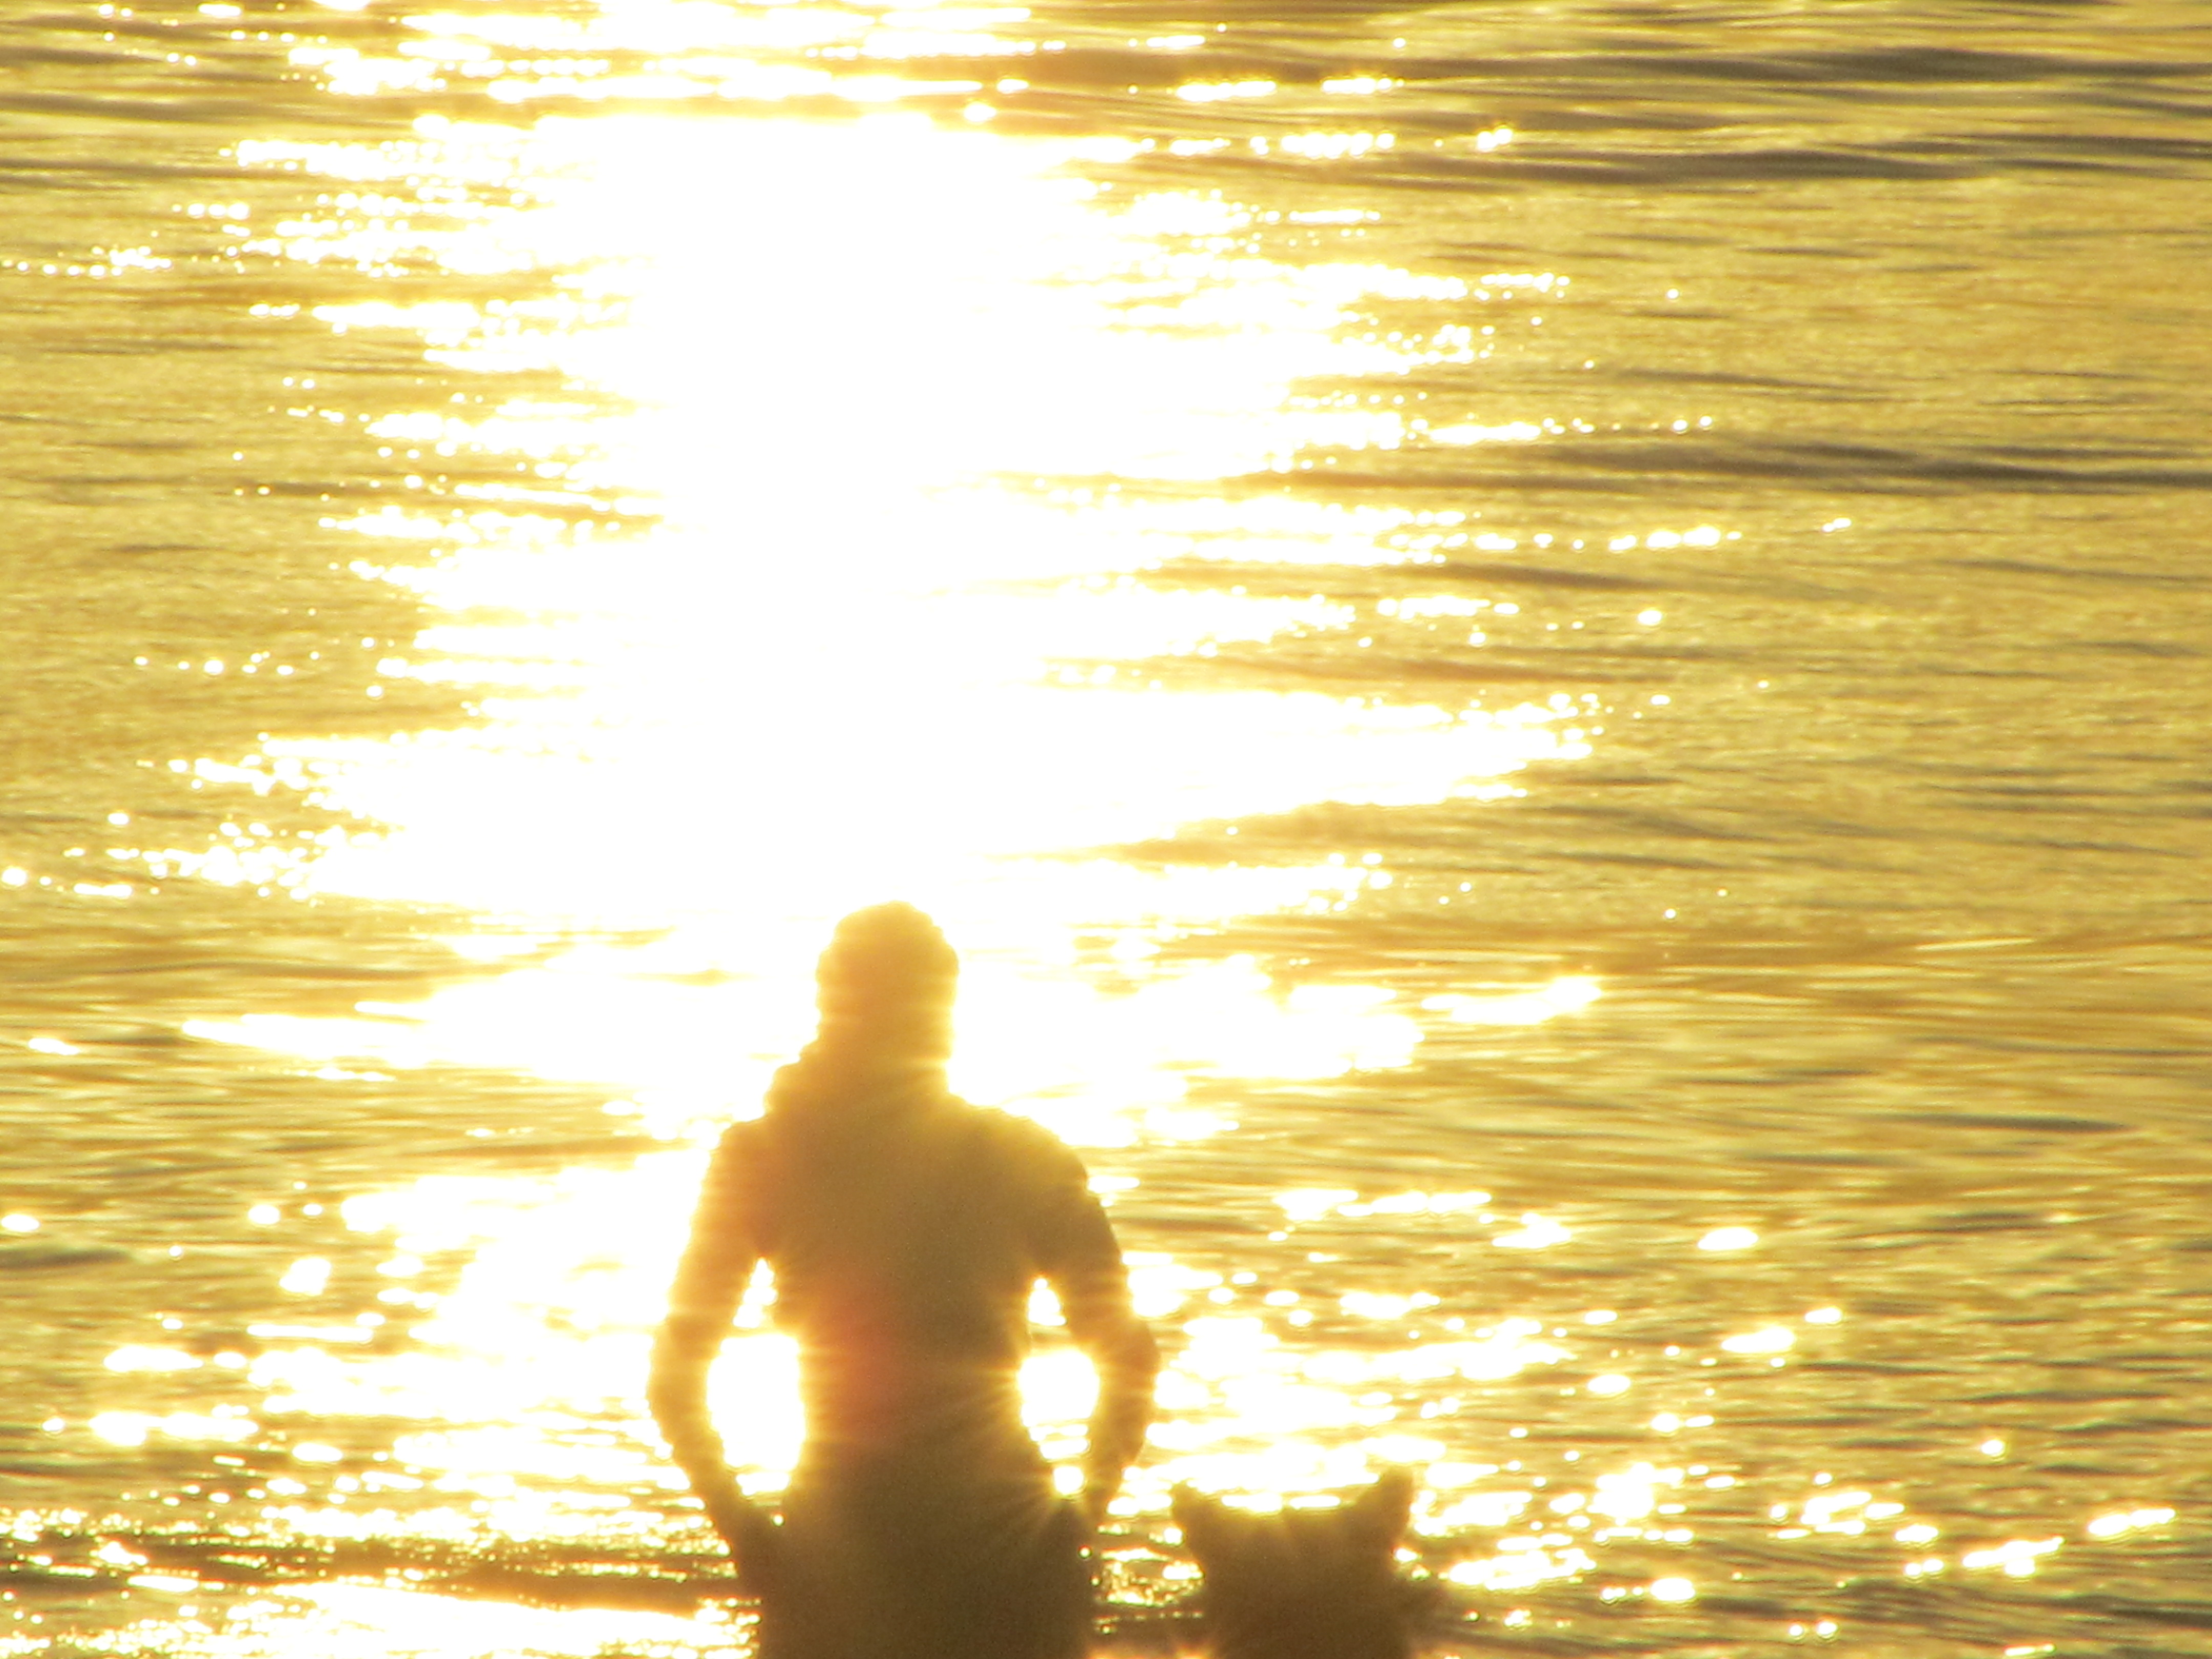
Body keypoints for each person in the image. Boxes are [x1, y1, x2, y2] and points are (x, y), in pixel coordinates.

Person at [648, 903, 1161, 1659]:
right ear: (942, 1022)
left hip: (842, 1551)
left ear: (830, 1007)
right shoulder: (1023, 1158)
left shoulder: (763, 1158)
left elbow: (675, 1374)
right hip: (1002, 1551)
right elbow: (1130, 1358)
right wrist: (1079, 1516)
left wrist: (747, 1534)